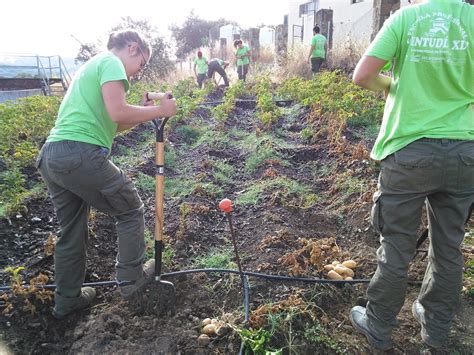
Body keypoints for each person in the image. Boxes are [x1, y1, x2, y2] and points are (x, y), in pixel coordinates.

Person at [348, 0, 473, 351]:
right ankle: (435, 331)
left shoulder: (406, 19)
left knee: (397, 245)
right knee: (449, 248)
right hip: (465, 152)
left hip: (409, 152)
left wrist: (393, 86)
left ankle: (378, 325)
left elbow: (363, 76)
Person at [36, 29, 177, 319]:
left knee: (71, 231)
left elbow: (114, 123)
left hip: (53, 156)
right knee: (129, 210)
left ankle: (67, 300)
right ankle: (132, 281)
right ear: (132, 47)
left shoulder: (91, 67)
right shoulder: (111, 62)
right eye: (142, 64)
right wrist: (160, 110)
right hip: (79, 154)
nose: (139, 72)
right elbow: (118, 112)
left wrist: (147, 111)